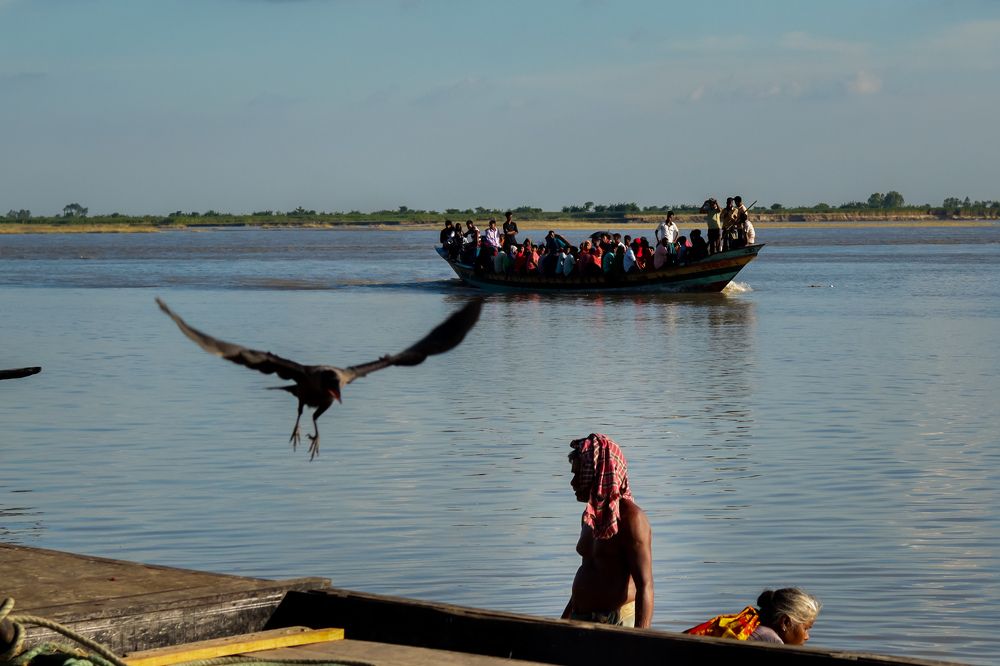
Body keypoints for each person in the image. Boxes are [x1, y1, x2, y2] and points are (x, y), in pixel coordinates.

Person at [562, 434, 653, 628]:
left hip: (615, 623)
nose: (573, 483)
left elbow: (645, 586)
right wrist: (561, 623)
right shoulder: (589, 518)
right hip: (581, 619)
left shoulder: (632, 519)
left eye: (578, 474)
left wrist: (642, 640)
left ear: (598, 474)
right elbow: (589, 572)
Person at [748, 588, 821, 645]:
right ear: (785, 622)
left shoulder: (750, 631)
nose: (807, 637)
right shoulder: (772, 643)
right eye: (805, 629)